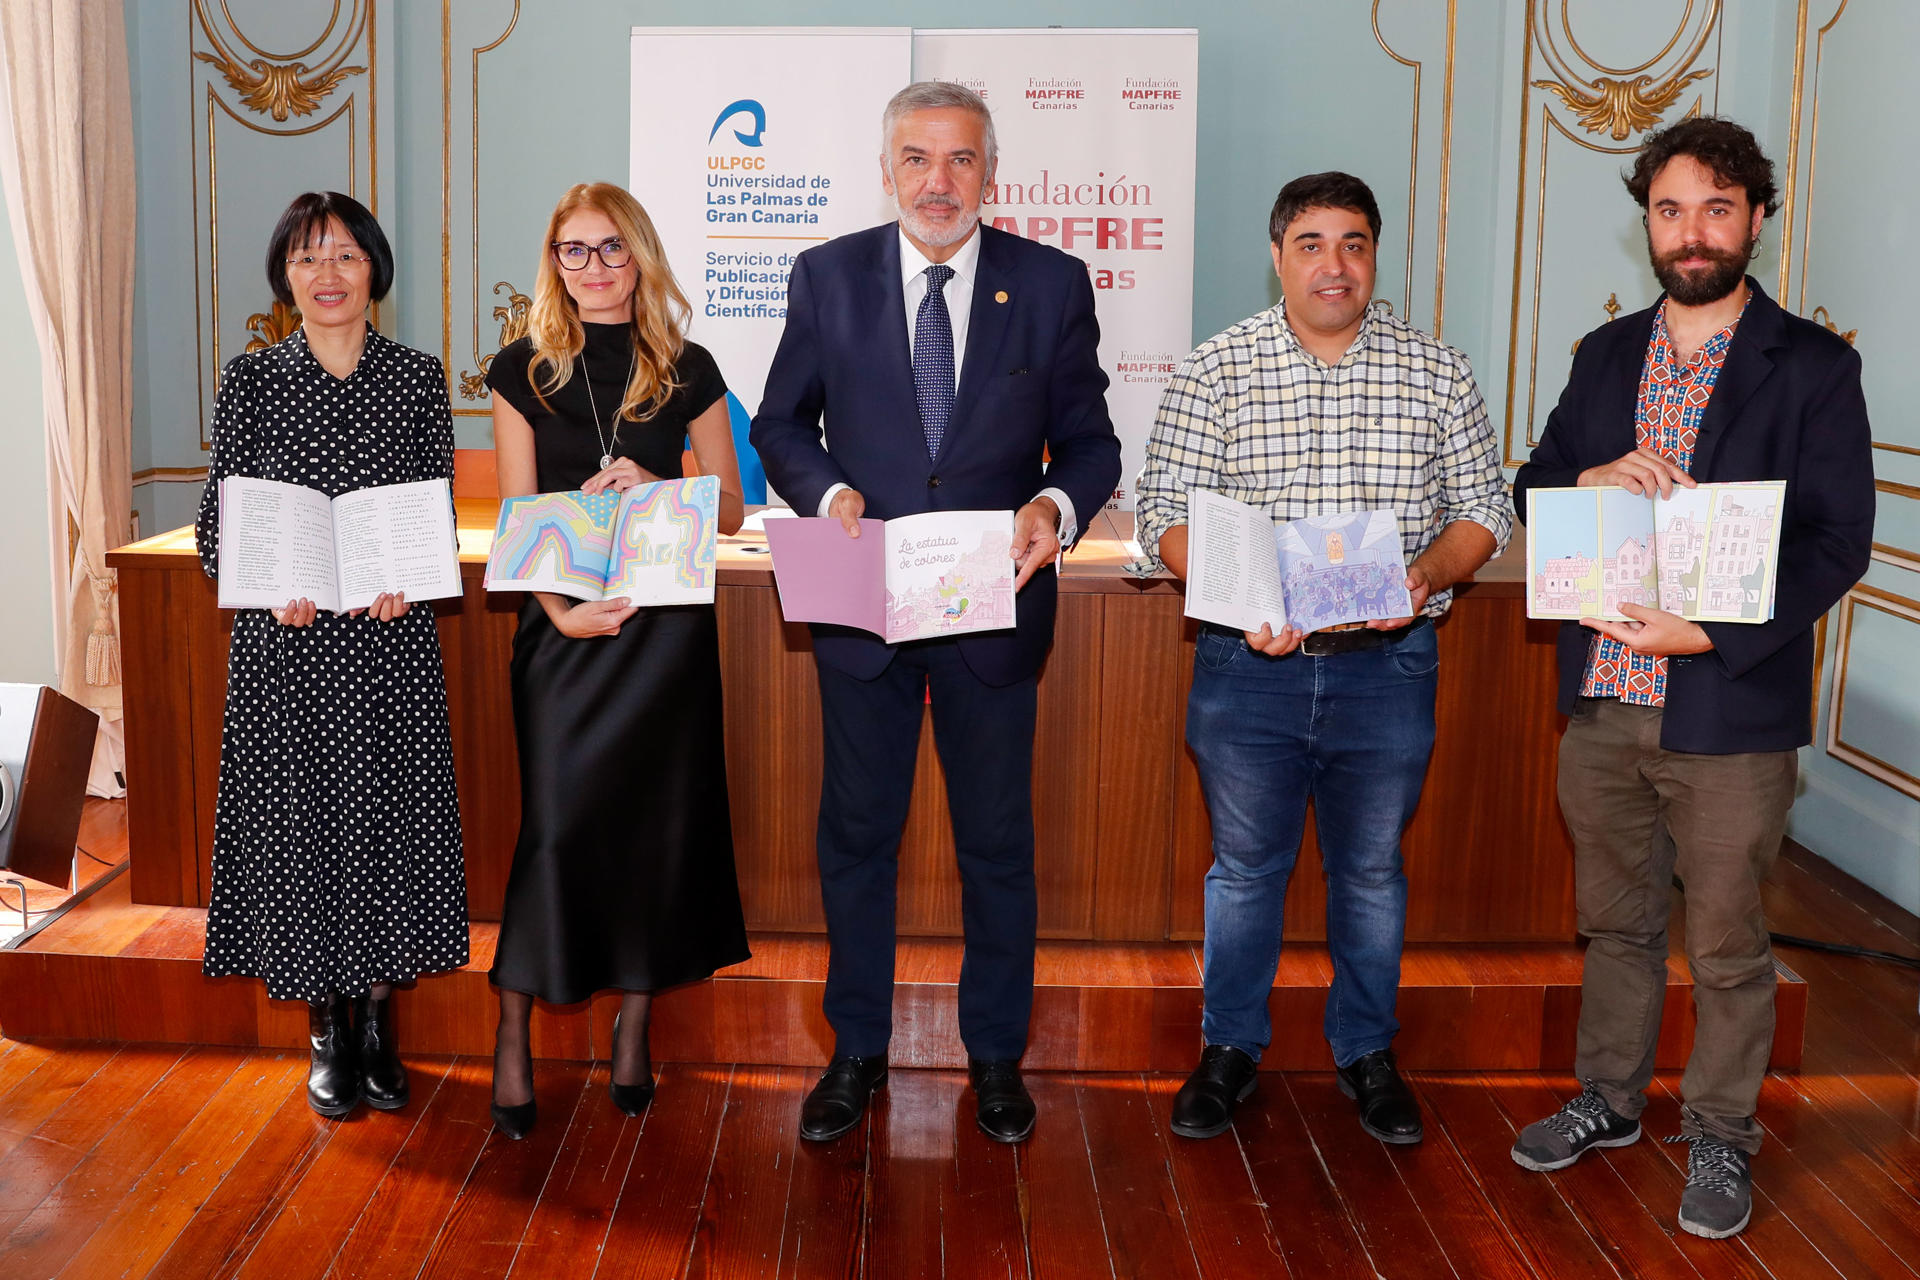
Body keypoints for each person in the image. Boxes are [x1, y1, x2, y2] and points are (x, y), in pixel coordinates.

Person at [1509, 117, 1873, 1240]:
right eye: (1670, 209)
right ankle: (1610, 1099)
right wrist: (1586, 470)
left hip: (1728, 702)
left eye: (1717, 207)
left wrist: (1708, 632)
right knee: (1614, 923)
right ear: (1648, 224)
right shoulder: (1603, 354)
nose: (1693, 230)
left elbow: (1834, 540)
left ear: (1755, 217)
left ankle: (1720, 1133)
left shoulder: (1812, 364)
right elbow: (1534, 486)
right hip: (1606, 697)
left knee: (1723, 940)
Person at [750, 81, 1120, 1144]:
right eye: (918, 158)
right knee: (856, 836)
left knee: (995, 842)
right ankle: (856, 1050)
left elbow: (1090, 443)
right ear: (887, 170)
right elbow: (780, 422)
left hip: (992, 615)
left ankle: (996, 1055)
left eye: (960, 160)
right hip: (864, 612)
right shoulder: (827, 276)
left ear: (989, 173)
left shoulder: (1048, 285)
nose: (939, 181)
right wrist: (826, 493)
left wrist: (1054, 506)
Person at [1133, 172, 1509, 1147]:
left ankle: (1367, 1052)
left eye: (1352, 243)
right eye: (1310, 243)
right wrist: (1236, 593)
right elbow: (1164, 513)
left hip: (1386, 668)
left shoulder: (1438, 371)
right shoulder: (1217, 368)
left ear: (1375, 255)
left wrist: (1421, 576)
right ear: (1277, 254)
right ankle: (1229, 1050)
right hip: (1246, 665)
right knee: (1246, 870)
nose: (1332, 264)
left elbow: (1484, 513)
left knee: (1373, 872)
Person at [485, 182, 750, 1139]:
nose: (592, 268)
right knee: (556, 835)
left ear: (640, 254)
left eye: (610, 249)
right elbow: (517, 515)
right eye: (572, 251)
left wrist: (664, 478)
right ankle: (511, 1034)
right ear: (553, 262)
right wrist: (558, 615)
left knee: (655, 834)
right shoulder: (521, 369)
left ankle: (634, 1035)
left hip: (663, 634)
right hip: (563, 637)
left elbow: (728, 509)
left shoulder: (688, 365)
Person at [195, 191, 467, 1118]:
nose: (327, 275)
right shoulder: (253, 380)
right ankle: (326, 1031)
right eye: (309, 258)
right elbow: (215, 528)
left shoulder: (416, 377)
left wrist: (412, 581)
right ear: (285, 275)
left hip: (387, 644)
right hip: (290, 651)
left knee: (387, 826)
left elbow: (430, 517)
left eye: (346, 256)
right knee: (306, 831)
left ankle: (381, 1026)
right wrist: (270, 582)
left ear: (373, 270)